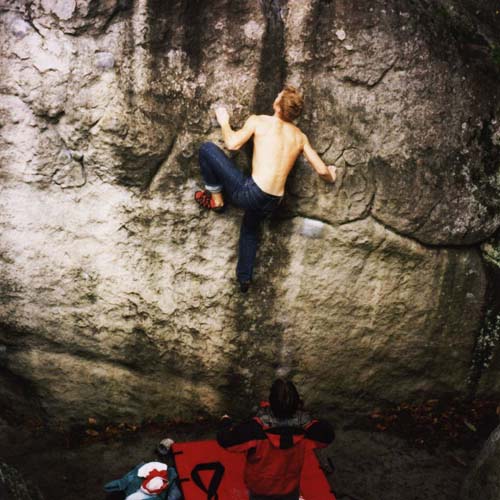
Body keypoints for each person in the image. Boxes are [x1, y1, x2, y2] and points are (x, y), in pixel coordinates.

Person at [195, 86, 337, 292]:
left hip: (251, 193)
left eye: (278, 96)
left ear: (278, 107)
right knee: (250, 228)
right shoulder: (299, 137)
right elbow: (322, 170)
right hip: (273, 202)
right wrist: (331, 175)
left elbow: (233, 144)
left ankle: (217, 199)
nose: (276, 95)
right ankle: (244, 279)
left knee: (206, 149)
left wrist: (224, 122)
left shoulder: (259, 121)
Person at [216, 379, 335, 500]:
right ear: (297, 404)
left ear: (271, 402)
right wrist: (306, 418)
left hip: (260, 487)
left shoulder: (254, 429)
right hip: (289, 486)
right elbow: (328, 435)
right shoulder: (306, 429)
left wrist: (225, 422)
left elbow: (226, 440)